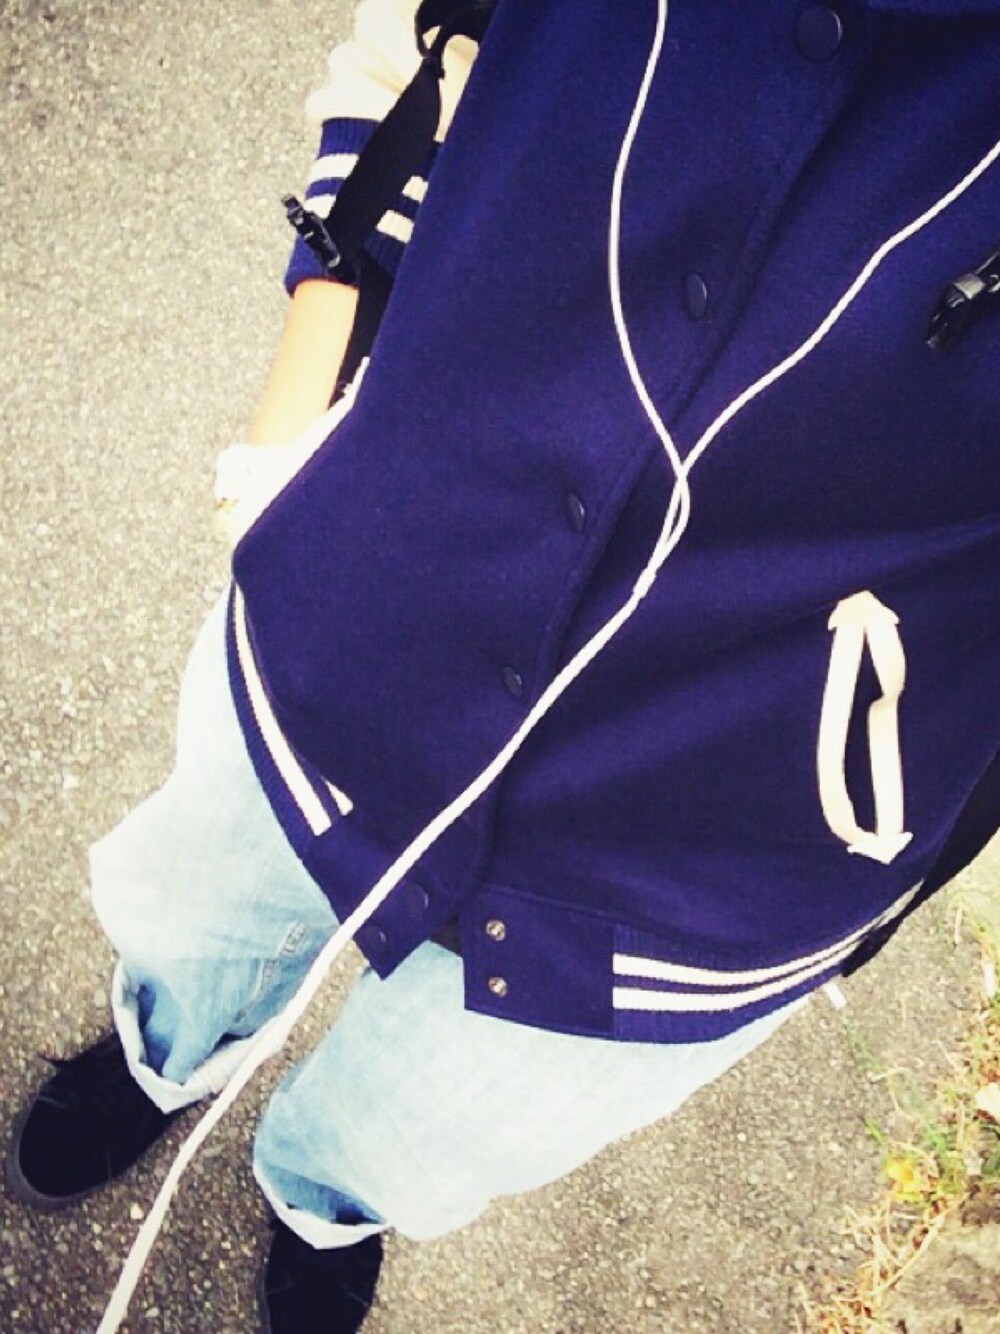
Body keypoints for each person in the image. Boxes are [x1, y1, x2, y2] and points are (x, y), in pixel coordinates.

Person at [7, 1, 1000, 1330]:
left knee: (438, 1121)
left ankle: (323, 1196)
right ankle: (159, 1053)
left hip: (730, 843)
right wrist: (292, 424)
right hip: (376, 586)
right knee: (201, 916)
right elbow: (429, 40)